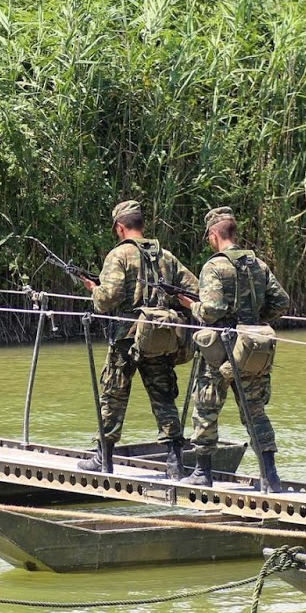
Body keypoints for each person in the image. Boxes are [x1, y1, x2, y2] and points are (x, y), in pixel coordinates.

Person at [79, 199, 199, 475]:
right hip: (160, 337)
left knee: (113, 395)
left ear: (120, 228)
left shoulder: (118, 256)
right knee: (163, 397)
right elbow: (194, 290)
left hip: (126, 338)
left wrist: (93, 290)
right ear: (141, 225)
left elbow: (108, 299)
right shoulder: (166, 256)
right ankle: (174, 462)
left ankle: (104, 458)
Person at [177, 206, 290, 493]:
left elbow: (212, 310)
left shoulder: (214, 266)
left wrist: (191, 305)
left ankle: (203, 473)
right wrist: (253, 321)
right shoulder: (258, 264)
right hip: (251, 348)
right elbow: (281, 301)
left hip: (219, 349)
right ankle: (270, 477)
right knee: (255, 410)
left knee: (206, 407)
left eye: (208, 236)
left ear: (215, 234)